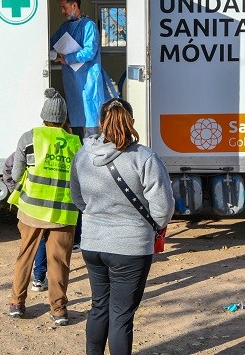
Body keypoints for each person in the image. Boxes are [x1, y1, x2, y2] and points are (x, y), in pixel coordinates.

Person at [70, 98, 175, 355]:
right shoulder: (145, 157)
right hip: (131, 248)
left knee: (99, 307)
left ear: (101, 122)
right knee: (121, 315)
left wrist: (97, 217)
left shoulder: (83, 155)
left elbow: (77, 197)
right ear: (131, 122)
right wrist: (153, 227)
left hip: (93, 243)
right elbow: (163, 206)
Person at [6, 88, 81, 326]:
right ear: (64, 118)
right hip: (64, 212)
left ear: (44, 115)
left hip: (31, 210)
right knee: (59, 261)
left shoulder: (29, 138)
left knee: (25, 256)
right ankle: (59, 311)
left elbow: (17, 174)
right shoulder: (76, 143)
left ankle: (17, 304)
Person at [50, 0, 107, 139]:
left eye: (64, 7)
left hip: (88, 82)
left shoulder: (89, 26)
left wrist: (67, 58)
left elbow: (90, 52)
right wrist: (54, 54)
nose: (62, 11)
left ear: (74, 5)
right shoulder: (65, 27)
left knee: (91, 125)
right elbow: (52, 43)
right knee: (76, 128)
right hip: (73, 84)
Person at [4, 153, 48, 292]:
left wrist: (15, 191)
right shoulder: (57, 143)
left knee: (31, 245)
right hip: (51, 204)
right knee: (45, 243)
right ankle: (39, 278)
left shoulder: (29, 143)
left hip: (29, 205)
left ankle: (36, 281)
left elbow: (9, 168)